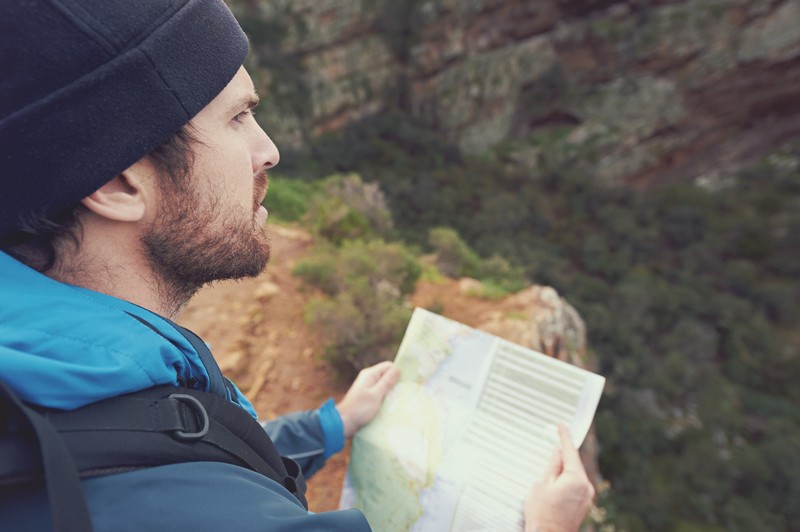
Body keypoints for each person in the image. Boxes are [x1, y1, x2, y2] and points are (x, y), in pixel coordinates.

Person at [0, 0, 594, 530]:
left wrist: (331, 425)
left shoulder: (54, 381)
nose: (270, 151)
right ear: (118, 184)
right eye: (237, 119)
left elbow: (164, 447)